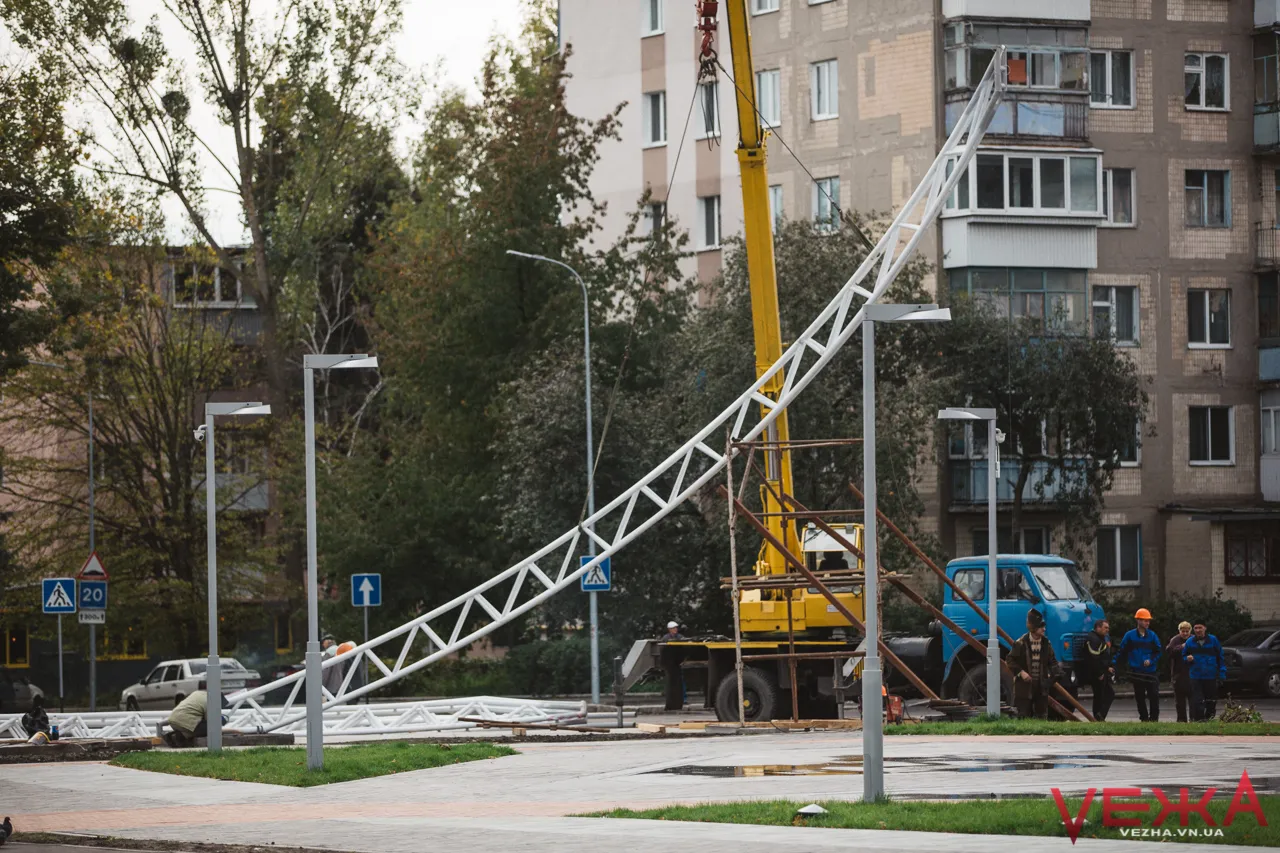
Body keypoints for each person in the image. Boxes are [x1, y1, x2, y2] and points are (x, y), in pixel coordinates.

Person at [1007, 610, 1062, 719]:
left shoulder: (1046, 643)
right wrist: (1021, 673)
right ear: (1034, 628)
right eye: (1041, 627)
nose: (1044, 629)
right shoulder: (1021, 643)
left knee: (1041, 716)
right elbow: (1010, 660)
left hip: (1041, 686)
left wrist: (1055, 673)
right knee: (1023, 716)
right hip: (1024, 687)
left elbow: (1052, 661)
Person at [1115, 608, 1162, 722]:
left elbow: (1158, 651)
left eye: (1148, 621)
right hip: (1137, 671)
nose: (1148, 623)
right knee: (1140, 697)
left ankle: (1154, 719)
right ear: (1139, 621)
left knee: (1154, 696)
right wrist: (1114, 664)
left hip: (1151, 671)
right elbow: (1122, 652)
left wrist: (1151, 660)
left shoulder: (1152, 635)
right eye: (1145, 620)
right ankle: (1144, 718)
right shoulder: (1129, 636)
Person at [1183, 621, 1225, 721]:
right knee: (1197, 700)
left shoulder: (1213, 640)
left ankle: (1209, 718)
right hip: (1196, 676)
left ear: (1205, 628)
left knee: (1211, 700)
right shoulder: (1190, 642)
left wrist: (1222, 672)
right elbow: (1183, 656)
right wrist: (1187, 658)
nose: (1198, 630)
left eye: (1200, 628)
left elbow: (1220, 657)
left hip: (1210, 675)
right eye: (1196, 628)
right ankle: (1199, 720)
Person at [1083, 619, 1115, 721]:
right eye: (1105, 628)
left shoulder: (1099, 638)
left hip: (1101, 671)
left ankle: (1098, 718)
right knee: (1105, 694)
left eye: (1108, 628)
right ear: (1098, 628)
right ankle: (1099, 717)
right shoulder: (1093, 639)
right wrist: (1099, 673)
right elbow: (1093, 658)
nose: (1107, 630)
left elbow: (1102, 657)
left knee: (1101, 695)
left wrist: (1107, 668)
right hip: (1095, 673)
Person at [1166, 621, 1193, 723]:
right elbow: (1169, 651)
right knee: (1180, 701)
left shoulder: (1193, 639)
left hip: (1192, 673)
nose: (1185, 633)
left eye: (1187, 631)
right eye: (1183, 631)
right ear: (1179, 631)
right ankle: (1181, 720)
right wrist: (1181, 647)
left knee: (1193, 699)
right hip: (1178, 674)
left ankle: (1193, 719)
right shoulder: (1175, 640)